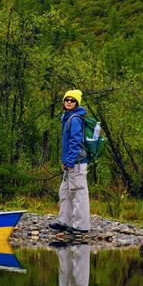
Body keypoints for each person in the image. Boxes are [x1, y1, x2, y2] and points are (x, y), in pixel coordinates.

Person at [49, 89, 90, 236]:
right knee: (64, 192)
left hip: (77, 163)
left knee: (79, 192)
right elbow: (66, 144)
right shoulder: (67, 117)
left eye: (72, 100)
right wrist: (64, 160)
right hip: (70, 162)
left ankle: (81, 225)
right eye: (67, 100)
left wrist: (70, 161)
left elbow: (75, 142)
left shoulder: (75, 119)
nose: (69, 102)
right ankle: (64, 221)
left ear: (77, 103)